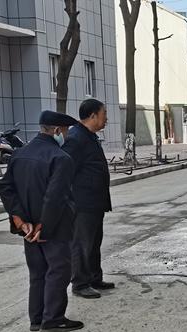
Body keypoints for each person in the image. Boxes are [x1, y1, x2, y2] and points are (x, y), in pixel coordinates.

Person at [0, 110, 83, 332]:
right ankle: (53, 318)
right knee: (58, 270)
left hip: (27, 227)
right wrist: (43, 226)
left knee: (37, 272)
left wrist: (20, 220)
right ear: (56, 130)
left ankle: (36, 318)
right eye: (64, 131)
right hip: (52, 227)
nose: (65, 135)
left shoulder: (19, 154)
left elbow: (5, 188)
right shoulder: (61, 158)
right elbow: (55, 196)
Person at [62, 99, 114, 299]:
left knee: (93, 241)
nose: (106, 118)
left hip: (94, 201)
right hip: (82, 202)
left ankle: (94, 277)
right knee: (82, 243)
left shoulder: (89, 136)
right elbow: (66, 170)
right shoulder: (76, 138)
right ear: (92, 115)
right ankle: (80, 283)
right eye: (104, 113)